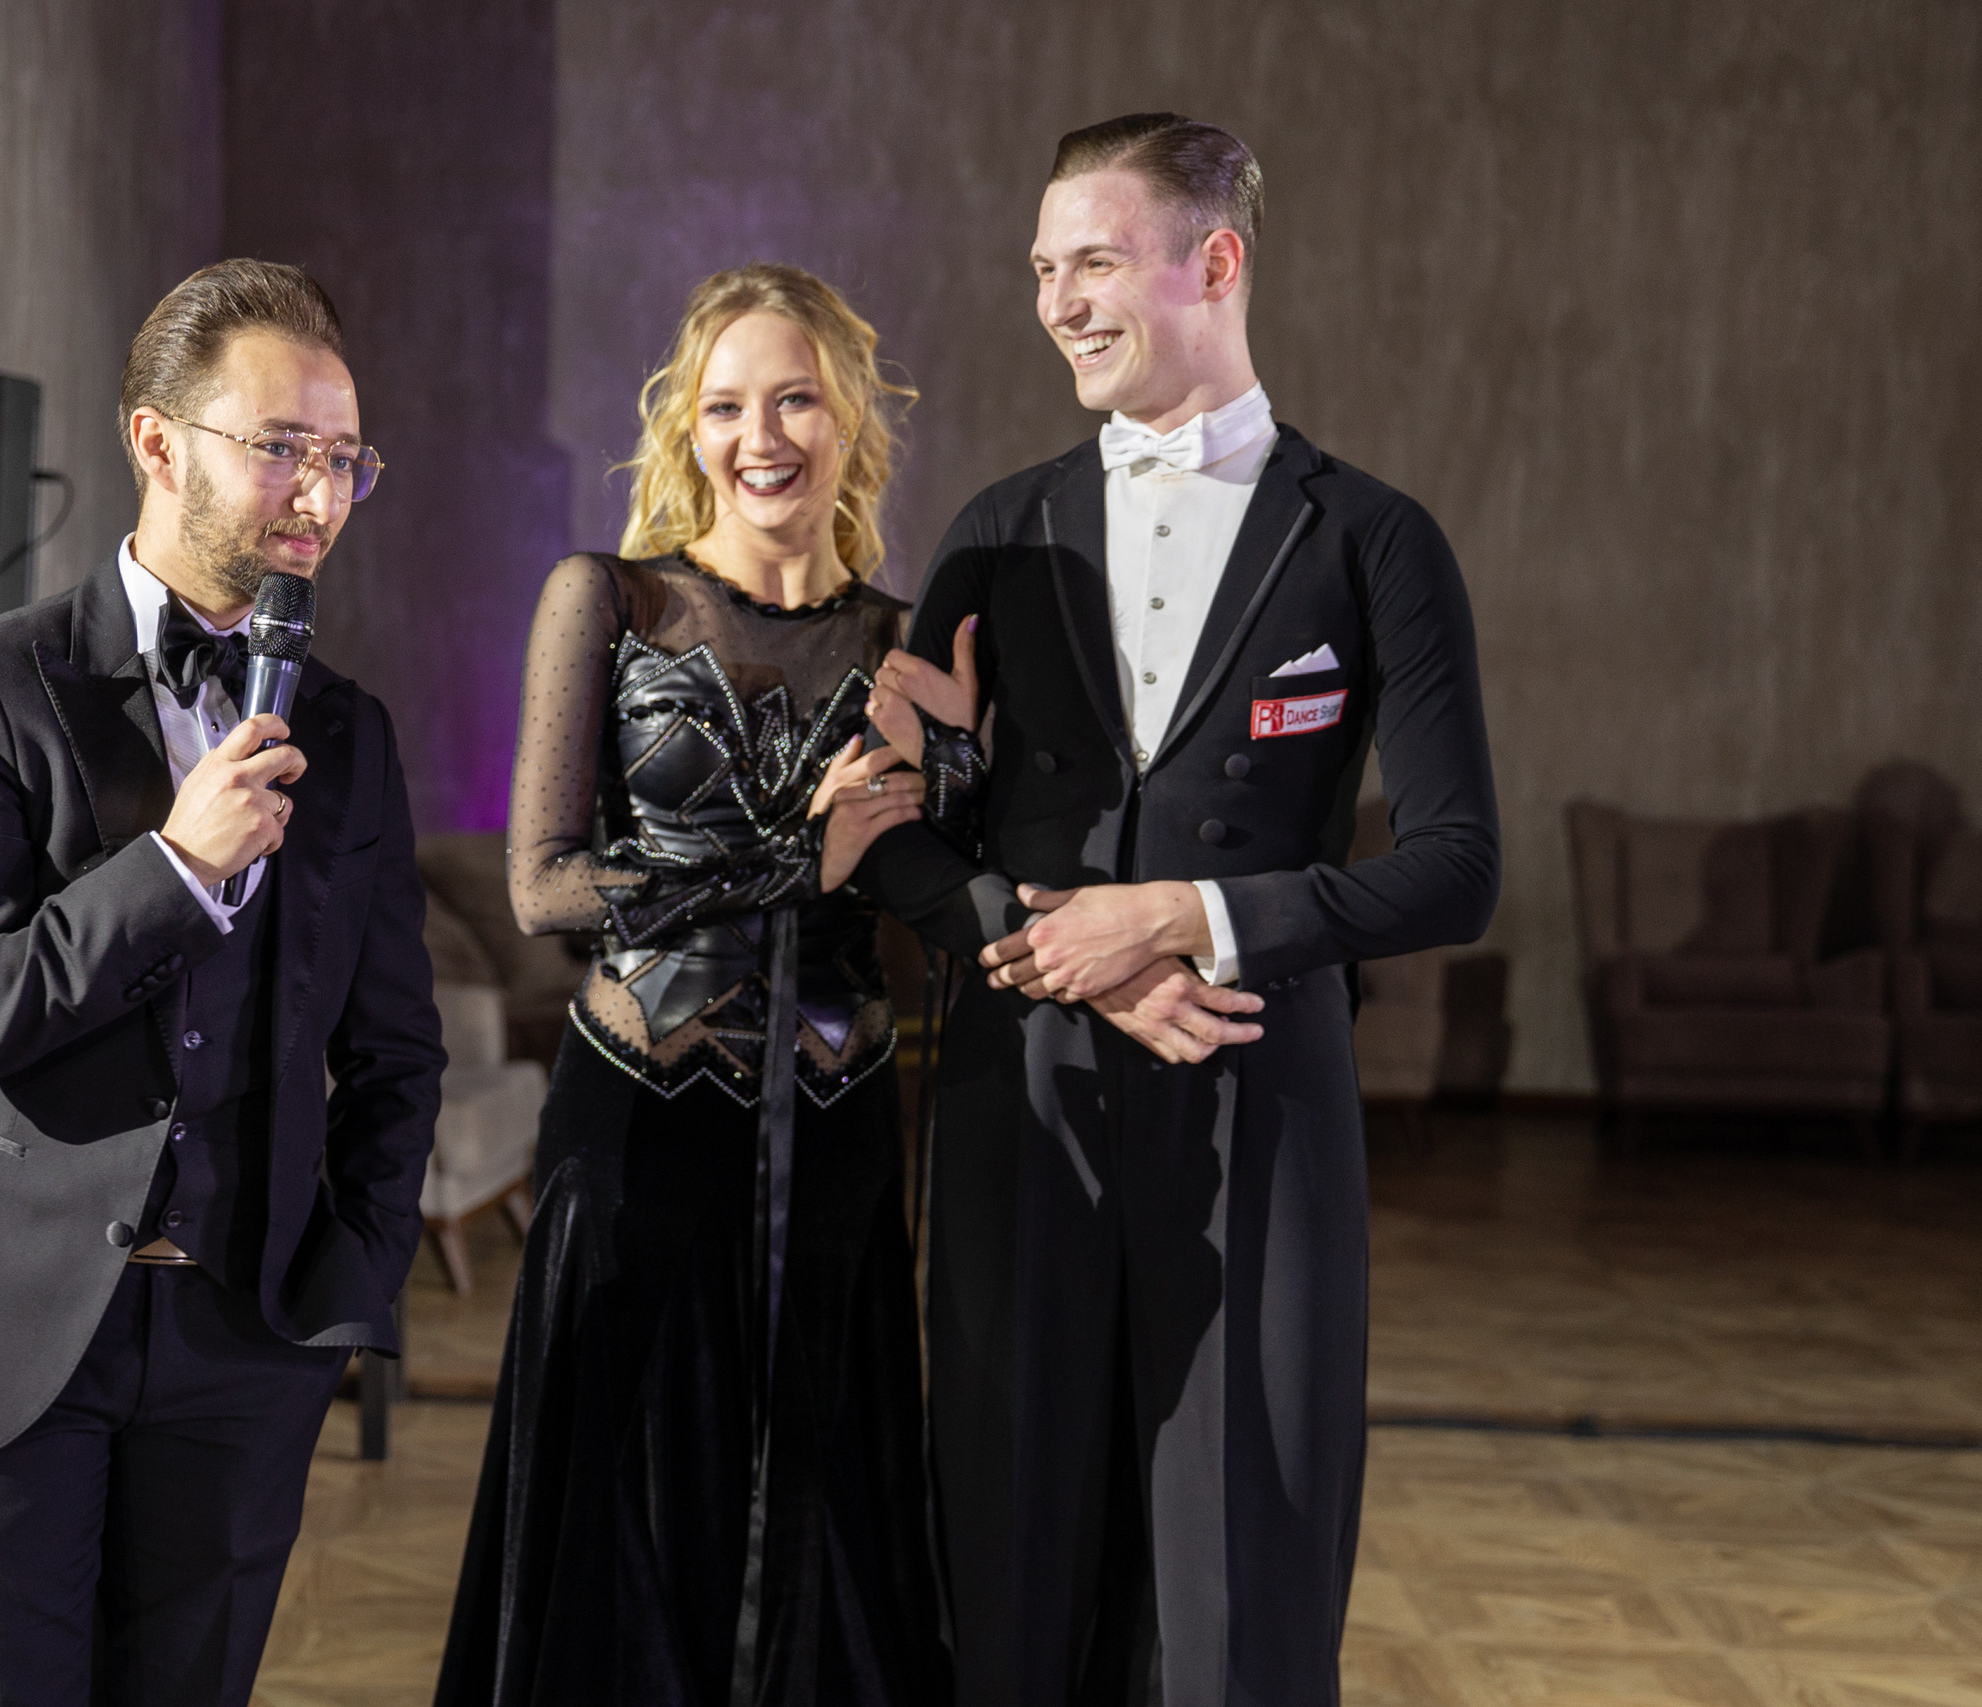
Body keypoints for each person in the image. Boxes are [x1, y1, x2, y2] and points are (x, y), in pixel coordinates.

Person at [857, 115, 1500, 1705]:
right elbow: (890, 843)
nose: (1058, 302)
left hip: (1261, 1118)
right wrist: (1067, 946)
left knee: (1248, 1582)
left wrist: (1186, 917)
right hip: (1027, 1111)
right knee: (1011, 1559)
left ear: (1213, 261)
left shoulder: (1373, 542)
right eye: (1041, 271)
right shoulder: (995, 535)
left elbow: (1457, 866)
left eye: (1093, 262)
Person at [0, 259, 444, 1707]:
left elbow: (397, 1052)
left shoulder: (349, 733)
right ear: (157, 443)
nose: (320, 492)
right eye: (280, 446)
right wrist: (169, 865)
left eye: (345, 456)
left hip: (243, 1344)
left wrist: (338, 1292)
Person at [434, 263, 950, 1707]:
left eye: (794, 397)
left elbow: (948, 881)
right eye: (726, 404)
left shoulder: (902, 644)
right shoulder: (608, 598)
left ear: (851, 415)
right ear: (688, 426)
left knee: (829, 1475)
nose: (760, 433)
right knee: (623, 1484)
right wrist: (797, 856)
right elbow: (546, 885)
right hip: (639, 1121)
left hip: (841, 1120)